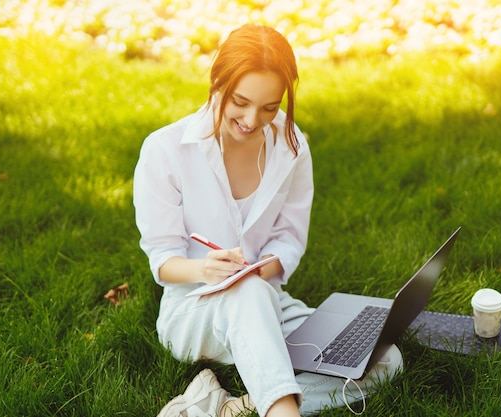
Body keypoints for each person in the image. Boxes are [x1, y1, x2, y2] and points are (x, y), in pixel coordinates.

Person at [133, 24, 403, 417]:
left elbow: (289, 239)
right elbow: (162, 258)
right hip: (194, 311)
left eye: (269, 107)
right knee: (247, 293)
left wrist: (265, 266)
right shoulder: (164, 150)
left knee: (383, 359)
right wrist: (206, 269)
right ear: (217, 81)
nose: (251, 119)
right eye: (239, 101)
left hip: (268, 301)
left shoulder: (291, 148)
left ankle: (229, 408)